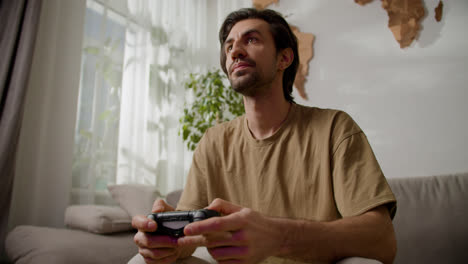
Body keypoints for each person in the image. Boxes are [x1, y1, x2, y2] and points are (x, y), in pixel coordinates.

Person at [132, 8, 397, 264]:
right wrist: (166, 246)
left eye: (251, 39)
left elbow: (382, 239)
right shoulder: (213, 142)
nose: (234, 50)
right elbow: (189, 241)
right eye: (228, 46)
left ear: (284, 58)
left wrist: (278, 237)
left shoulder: (334, 128)